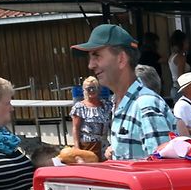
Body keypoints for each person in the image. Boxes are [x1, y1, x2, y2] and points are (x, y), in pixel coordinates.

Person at [73, 24, 176, 160]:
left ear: (121, 59)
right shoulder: (119, 103)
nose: (90, 65)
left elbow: (163, 168)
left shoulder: (145, 105)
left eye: (96, 55)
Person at [69, 75, 112, 158]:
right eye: (89, 88)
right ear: (84, 90)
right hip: (87, 146)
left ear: (98, 89)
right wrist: (77, 148)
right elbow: (75, 129)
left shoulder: (107, 106)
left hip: (104, 146)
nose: (91, 91)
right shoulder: (80, 107)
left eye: (94, 88)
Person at [168, 30, 190, 97]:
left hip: (175, 88)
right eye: (186, 42)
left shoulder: (172, 56)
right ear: (182, 43)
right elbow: (181, 76)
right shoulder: (180, 57)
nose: (188, 44)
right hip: (181, 89)